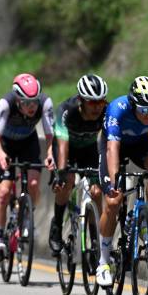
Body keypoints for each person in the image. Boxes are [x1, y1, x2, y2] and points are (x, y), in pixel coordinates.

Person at [96, 75, 148, 286]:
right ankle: (103, 261)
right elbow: (112, 148)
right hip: (113, 145)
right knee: (113, 202)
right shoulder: (117, 108)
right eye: (143, 109)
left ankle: (144, 216)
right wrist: (114, 183)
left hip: (141, 145)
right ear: (133, 104)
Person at [0, 73, 55, 268]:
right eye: (26, 103)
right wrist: (0, 155)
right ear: (17, 100)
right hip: (5, 145)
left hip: (28, 143)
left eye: (34, 102)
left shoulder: (45, 103)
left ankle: (26, 219)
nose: (32, 106)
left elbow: (51, 136)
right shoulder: (5, 104)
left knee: (33, 184)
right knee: (3, 192)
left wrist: (51, 154)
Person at [49, 74, 108, 255]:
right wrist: (61, 172)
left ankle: (94, 240)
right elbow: (63, 143)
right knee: (66, 182)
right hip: (66, 148)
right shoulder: (68, 110)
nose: (97, 106)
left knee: (96, 192)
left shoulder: (106, 111)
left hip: (89, 149)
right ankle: (57, 225)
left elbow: (110, 142)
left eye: (100, 102)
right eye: (92, 102)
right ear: (81, 100)